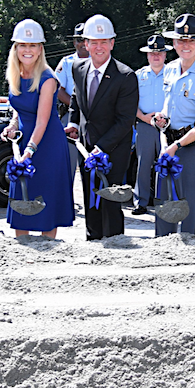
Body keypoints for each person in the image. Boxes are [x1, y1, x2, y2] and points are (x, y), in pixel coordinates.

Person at [64, 15, 139, 241]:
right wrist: (73, 123)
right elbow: (76, 98)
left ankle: (115, 242)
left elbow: (125, 120)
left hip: (114, 149)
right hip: (85, 147)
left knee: (110, 201)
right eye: (94, 42)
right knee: (90, 198)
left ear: (112, 43)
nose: (99, 47)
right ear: (85, 44)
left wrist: (101, 147)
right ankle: (93, 241)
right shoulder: (78, 68)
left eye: (104, 42)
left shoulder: (126, 76)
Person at [2, 19, 75, 237]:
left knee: (46, 200)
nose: (27, 50)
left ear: (40, 49)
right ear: (16, 48)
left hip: (47, 145)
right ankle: (22, 249)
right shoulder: (15, 75)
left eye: (32, 45)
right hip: (25, 142)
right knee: (21, 198)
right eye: (23, 45)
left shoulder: (48, 78)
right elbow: (19, 109)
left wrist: (29, 150)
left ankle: (49, 248)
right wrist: (13, 125)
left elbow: (42, 121)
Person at [153, 14, 195, 237]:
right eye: (181, 40)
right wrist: (161, 118)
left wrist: (176, 146)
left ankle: (192, 245)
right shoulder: (170, 69)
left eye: (191, 41)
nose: (186, 45)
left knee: (189, 202)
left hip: (192, 148)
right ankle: (162, 244)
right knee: (164, 200)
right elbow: (167, 106)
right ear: (174, 43)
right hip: (168, 144)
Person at [132, 35, 170, 215]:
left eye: (159, 53)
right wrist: (143, 117)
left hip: (167, 126)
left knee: (166, 162)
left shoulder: (173, 74)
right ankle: (140, 202)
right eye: (152, 53)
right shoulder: (138, 76)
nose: (156, 56)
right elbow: (131, 101)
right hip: (144, 124)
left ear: (165, 55)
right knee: (143, 164)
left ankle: (163, 200)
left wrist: (165, 118)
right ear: (147, 55)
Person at [54, 23, 87, 179]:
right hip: (70, 115)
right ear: (74, 42)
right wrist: (77, 106)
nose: (83, 43)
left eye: (86, 39)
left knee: (91, 162)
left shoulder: (99, 62)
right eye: (79, 40)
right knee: (68, 162)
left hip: (94, 117)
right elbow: (57, 89)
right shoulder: (66, 62)